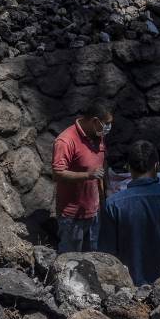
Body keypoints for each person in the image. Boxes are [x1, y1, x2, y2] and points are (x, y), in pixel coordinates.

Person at [98, 140, 160, 285]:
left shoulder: (113, 204)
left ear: (128, 167)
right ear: (156, 165)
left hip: (127, 286)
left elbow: (106, 253)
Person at [51, 99, 113, 253]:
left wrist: (107, 191)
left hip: (94, 212)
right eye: (107, 123)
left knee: (92, 260)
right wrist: (87, 175)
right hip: (72, 216)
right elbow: (57, 174)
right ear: (95, 121)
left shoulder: (98, 136)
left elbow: (102, 163)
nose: (108, 128)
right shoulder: (65, 141)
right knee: (71, 262)